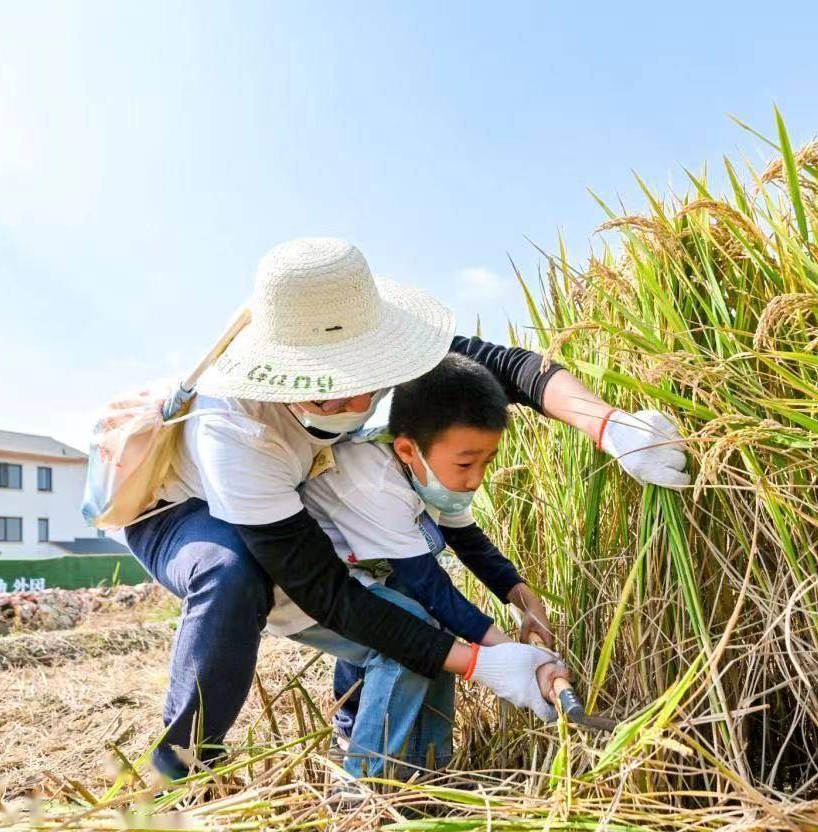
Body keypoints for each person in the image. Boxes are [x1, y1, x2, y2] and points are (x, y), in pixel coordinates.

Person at [122, 237, 688, 780]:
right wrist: (484, 659)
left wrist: (608, 425)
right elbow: (329, 594)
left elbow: (514, 369)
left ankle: (373, 744)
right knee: (236, 575)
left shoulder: (385, 354)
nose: (353, 403)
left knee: (389, 594)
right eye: (327, 390)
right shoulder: (237, 429)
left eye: (361, 382)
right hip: (179, 506)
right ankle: (181, 763)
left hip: (301, 493)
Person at [287, 354, 553, 769]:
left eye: (487, 462)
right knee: (416, 639)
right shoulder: (372, 480)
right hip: (303, 594)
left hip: (364, 581)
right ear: (409, 449)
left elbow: (471, 543)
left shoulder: (426, 471)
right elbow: (429, 584)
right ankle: (363, 786)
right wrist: (512, 656)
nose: (476, 478)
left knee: (435, 629)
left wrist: (526, 602)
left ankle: (426, 768)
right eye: (466, 463)